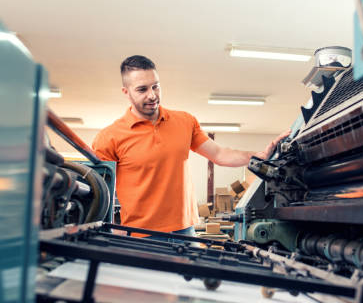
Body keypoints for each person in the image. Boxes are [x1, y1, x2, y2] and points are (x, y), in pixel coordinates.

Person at [92, 55, 289, 238]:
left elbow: (219, 154)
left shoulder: (184, 121)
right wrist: (109, 229)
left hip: (185, 231)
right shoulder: (109, 137)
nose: (152, 95)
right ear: (126, 92)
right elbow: (99, 192)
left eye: (156, 87)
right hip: (140, 235)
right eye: (142, 89)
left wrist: (259, 155)